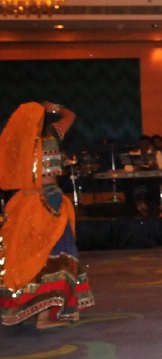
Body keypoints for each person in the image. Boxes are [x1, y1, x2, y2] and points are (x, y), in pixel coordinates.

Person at [0, 101, 95, 328]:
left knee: (28, 255)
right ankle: (43, 317)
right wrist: (56, 108)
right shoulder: (52, 134)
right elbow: (70, 114)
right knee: (54, 255)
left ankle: (29, 308)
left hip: (23, 202)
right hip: (49, 201)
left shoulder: (20, 143)